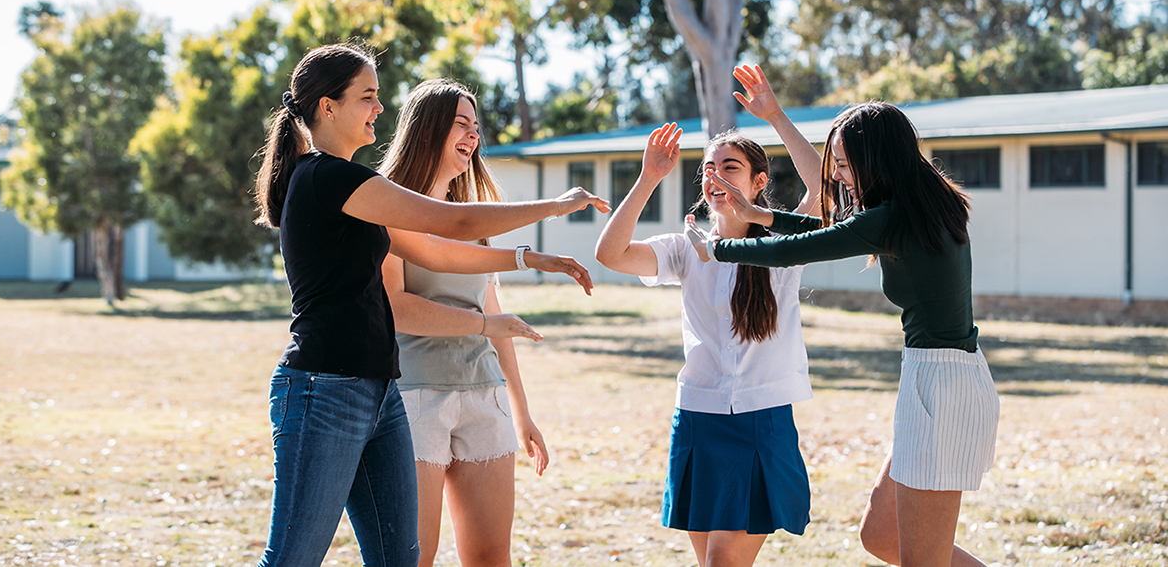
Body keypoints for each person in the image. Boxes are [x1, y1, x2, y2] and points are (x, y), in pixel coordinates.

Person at [252, 43, 609, 567]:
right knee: (293, 558)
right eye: (367, 97)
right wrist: (555, 206)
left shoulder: (351, 186)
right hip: (322, 390)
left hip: (380, 393)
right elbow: (453, 223)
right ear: (327, 107)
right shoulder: (328, 177)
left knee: (401, 558)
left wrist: (530, 258)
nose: (378, 108)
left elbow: (434, 250)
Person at [687, 80, 1000, 567]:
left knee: (922, 560)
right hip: (937, 378)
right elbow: (831, 231)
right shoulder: (915, 206)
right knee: (881, 537)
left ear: (876, 160)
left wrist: (718, 247)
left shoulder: (894, 215)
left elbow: (807, 246)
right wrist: (759, 216)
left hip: (943, 385)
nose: (840, 177)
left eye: (845, 166)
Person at [594, 64, 824, 567]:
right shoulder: (683, 249)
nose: (716, 176)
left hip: (763, 421)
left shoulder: (784, 242)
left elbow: (823, 187)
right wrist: (648, 177)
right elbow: (609, 254)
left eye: (731, 167)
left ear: (760, 181)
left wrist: (775, 115)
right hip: (698, 419)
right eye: (708, 168)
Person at [376, 78, 568, 567]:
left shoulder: (471, 223)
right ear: (427, 129)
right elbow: (397, 306)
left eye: (476, 127)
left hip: (485, 398)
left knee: (490, 556)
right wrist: (483, 326)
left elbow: (496, 314)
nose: (472, 136)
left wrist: (522, 412)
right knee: (411, 556)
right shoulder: (385, 209)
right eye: (461, 124)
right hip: (416, 399)